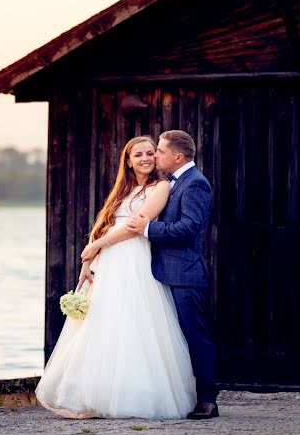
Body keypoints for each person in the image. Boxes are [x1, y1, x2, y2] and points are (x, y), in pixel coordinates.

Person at [35, 136, 197, 419]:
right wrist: (90, 261)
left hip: (135, 259)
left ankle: (134, 396)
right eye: (139, 154)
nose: (146, 158)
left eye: (151, 152)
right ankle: (94, 393)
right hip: (110, 261)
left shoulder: (161, 187)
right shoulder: (124, 190)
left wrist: (98, 245)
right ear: (128, 160)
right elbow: (105, 225)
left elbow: (135, 227)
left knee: (135, 323)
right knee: (104, 324)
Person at [126, 130, 219, 420]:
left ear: (177, 157)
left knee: (195, 336)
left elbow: (189, 227)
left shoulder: (195, 184)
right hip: (164, 272)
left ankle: (208, 400)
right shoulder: (173, 182)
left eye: (161, 151)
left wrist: (148, 229)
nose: (155, 156)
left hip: (185, 274)